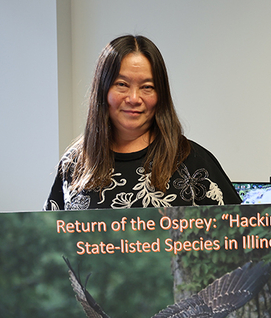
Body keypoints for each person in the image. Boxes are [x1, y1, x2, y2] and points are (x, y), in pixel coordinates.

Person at [44, 35, 241, 210]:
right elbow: (50, 241)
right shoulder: (75, 164)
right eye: (122, 84)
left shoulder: (193, 161)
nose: (134, 98)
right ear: (103, 90)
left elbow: (240, 235)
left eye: (147, 87)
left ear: (160, 94)